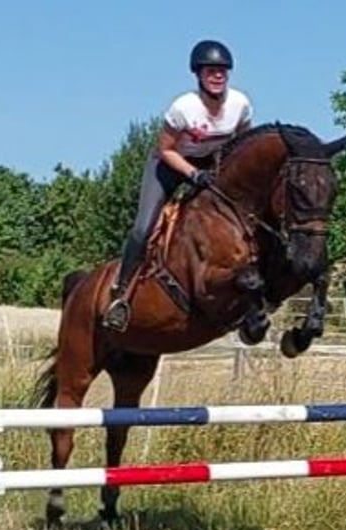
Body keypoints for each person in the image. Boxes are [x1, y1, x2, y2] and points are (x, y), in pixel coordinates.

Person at [103, 39, 254, 331]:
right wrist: (192, 174)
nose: (218, 75)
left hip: (211, 165)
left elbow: (243, 143)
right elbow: (167, 150)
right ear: (198, 74)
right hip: (170, 166)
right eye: (211, 70)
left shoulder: (240, 104)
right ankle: (120, 295)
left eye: (222, 70)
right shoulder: (183, 108)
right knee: (143, 227)